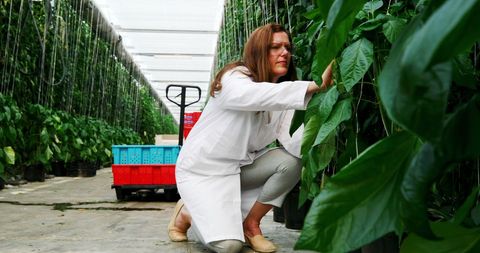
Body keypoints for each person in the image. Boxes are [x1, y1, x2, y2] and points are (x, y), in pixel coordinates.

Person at [167, 23, 333, 253]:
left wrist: (326, 141)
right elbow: (251, 96)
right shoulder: (234, 78)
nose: (284, 52)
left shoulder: (282, 99)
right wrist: (314, 86)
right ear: (259, 51)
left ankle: (251, 224)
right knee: (229, 247)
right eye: (275, 47)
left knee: (291, 163)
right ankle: (187, 211)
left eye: (287, 47)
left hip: (239, 170)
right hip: (202, 172)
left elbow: (296, 143)